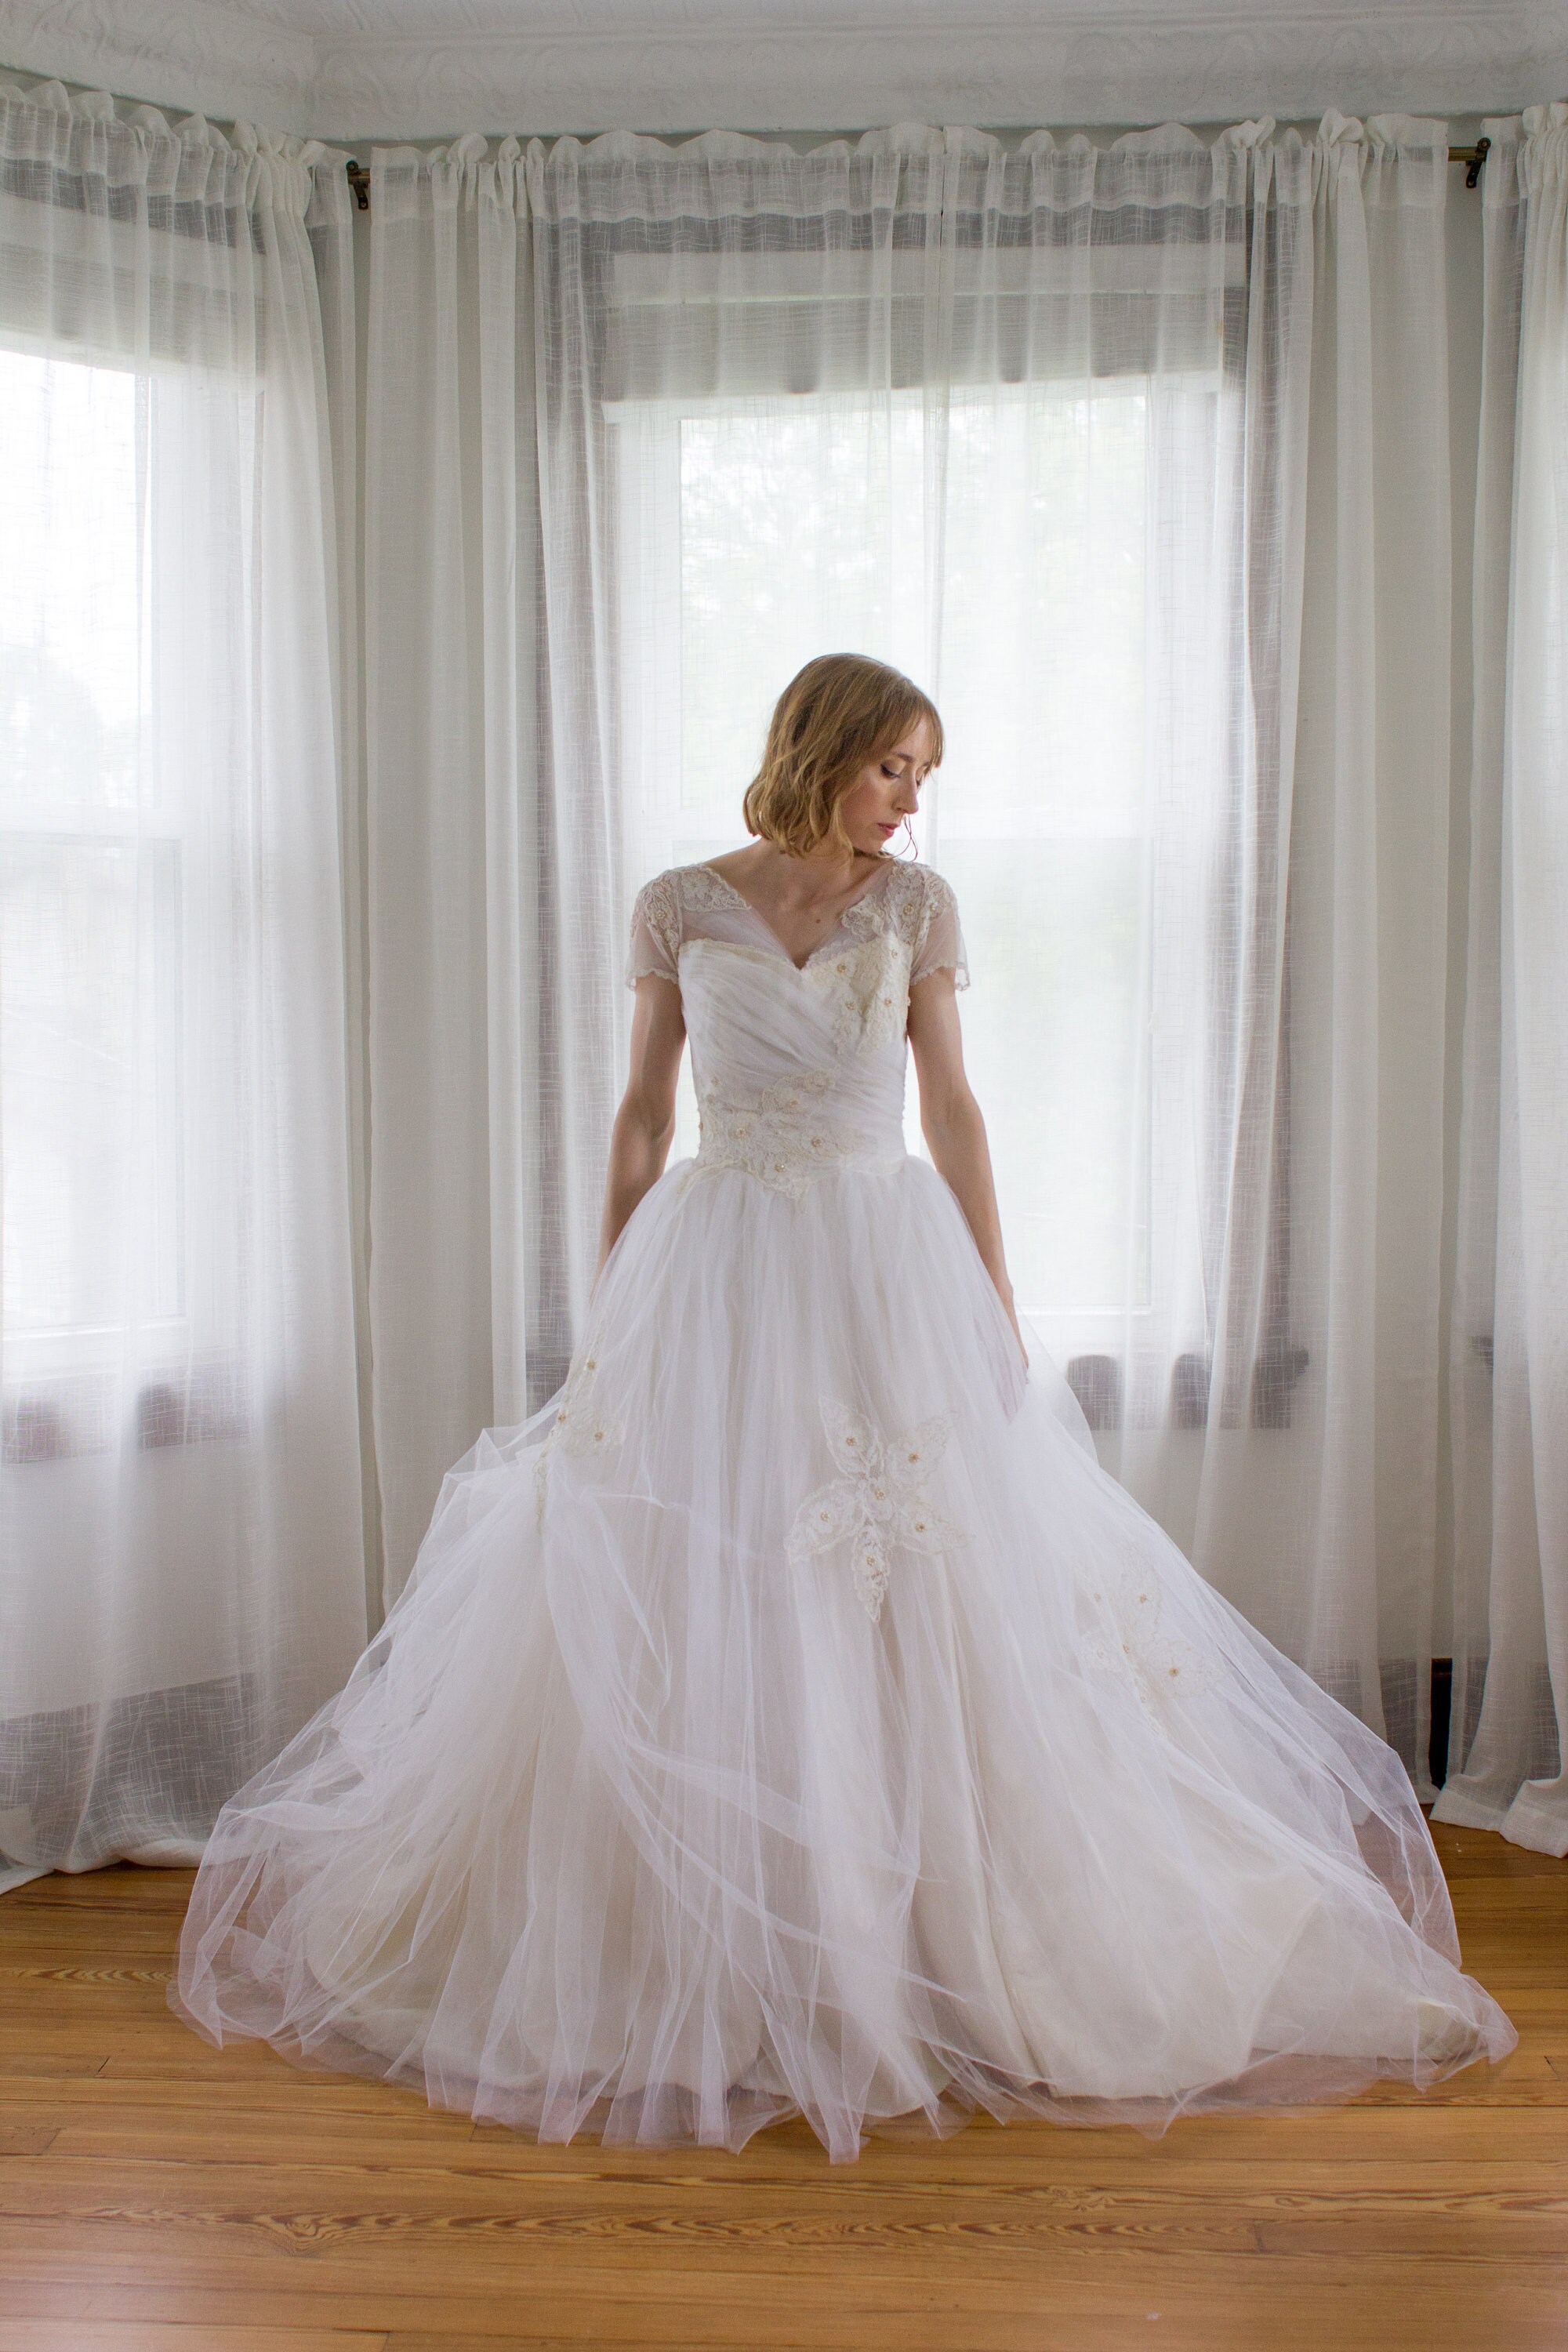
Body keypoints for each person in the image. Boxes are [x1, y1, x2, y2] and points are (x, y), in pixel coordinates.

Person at [173, 652, 1515, 2161]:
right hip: (717, 1259)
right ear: (828, 750)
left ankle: (923, 1924)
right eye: (897, 769)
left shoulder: (918, 909)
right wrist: (609, 1291)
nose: (912, 802)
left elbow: (951, 1105)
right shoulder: (680, 901)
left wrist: (997, 1298)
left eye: (924, 777)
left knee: (913, 1572)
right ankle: (700, 1925)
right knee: (701, 1559)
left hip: (884, 1268)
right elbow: (639, 1110)